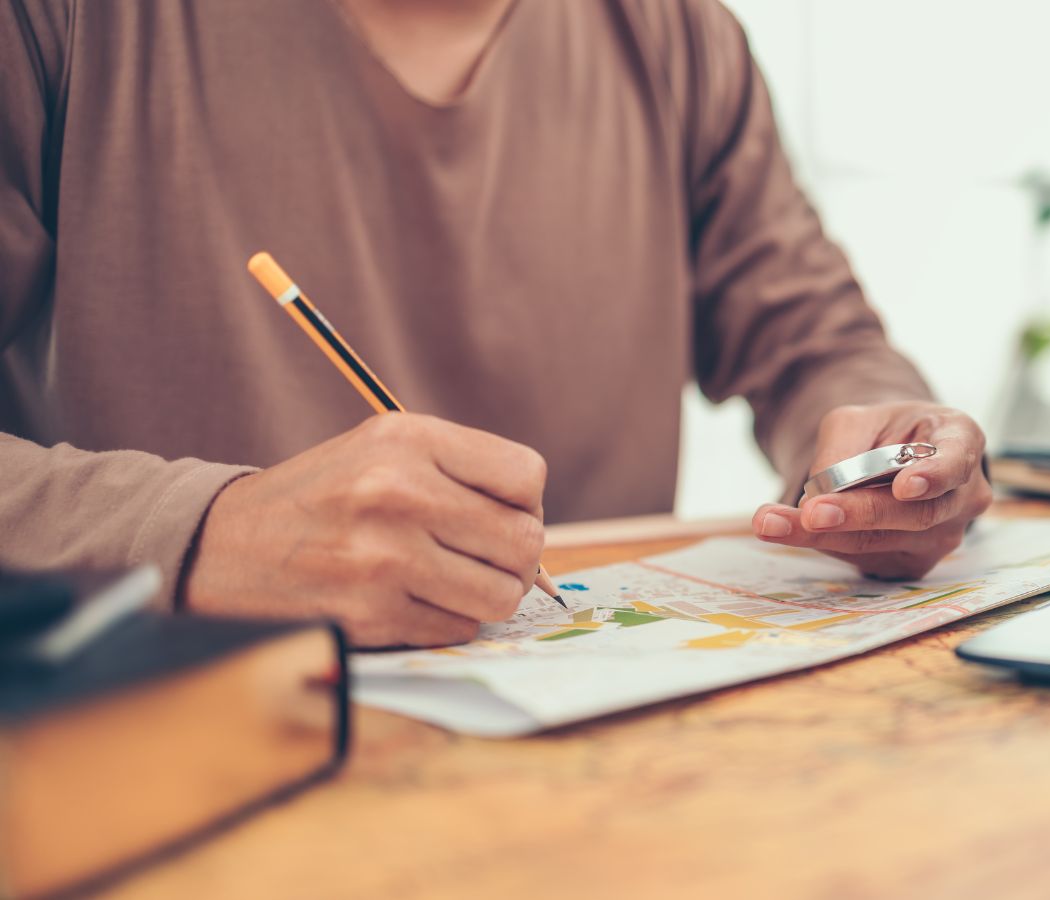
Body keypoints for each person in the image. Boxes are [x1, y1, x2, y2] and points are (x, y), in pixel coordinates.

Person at [0, 0, 992, 648]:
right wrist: (202, 534)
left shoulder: (679, 34)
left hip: (594, 745)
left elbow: (816, 341)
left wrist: (880, 456)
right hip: (163, 747)